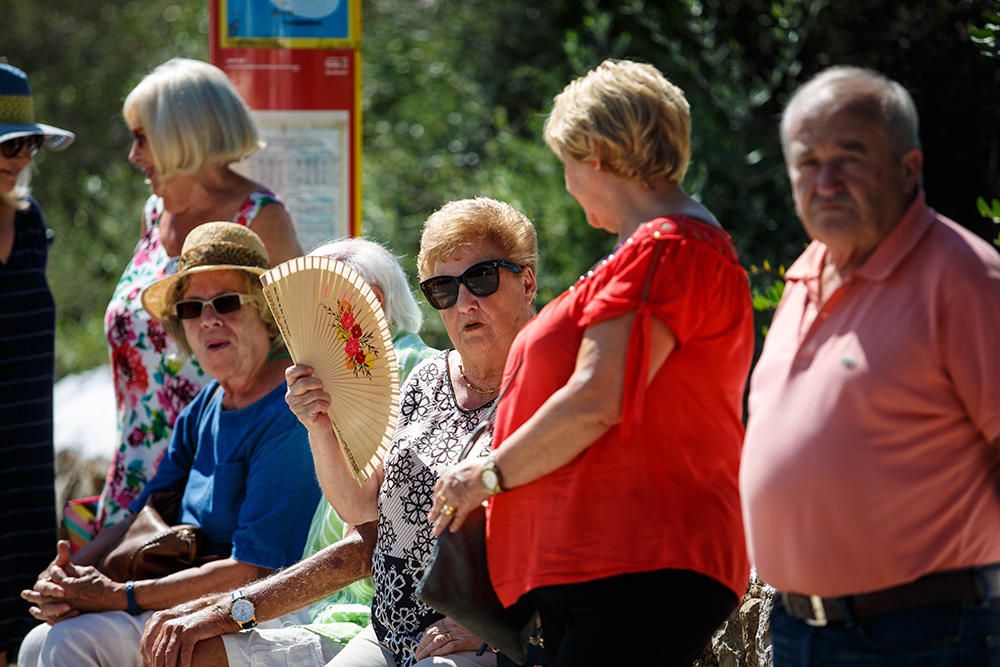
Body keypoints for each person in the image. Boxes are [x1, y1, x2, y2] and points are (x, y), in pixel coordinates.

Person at [431, 59, 754, 667]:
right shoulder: (658, 250)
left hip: (635, 567)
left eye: (567, 164)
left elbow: (596, 397)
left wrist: (487, 475)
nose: (568, 184)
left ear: (598, 154)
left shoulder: (668, 249)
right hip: (602, 572)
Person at [740, 66, 1000, 666]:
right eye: (807, 163)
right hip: (800, 629)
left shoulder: (962, 279)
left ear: (908, 169)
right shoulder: (806, 275)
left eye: (849, 158)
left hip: (924, 634)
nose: (824, 181)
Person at [18, 222, 320, 667]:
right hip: (189, 592)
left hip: (261, 609)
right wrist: (63, 576)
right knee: (37, 640)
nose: (209, 319)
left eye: (227, 302)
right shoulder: (207, 404)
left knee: (72, 640)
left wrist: (119, 596)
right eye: (192, 309)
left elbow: (254, 569)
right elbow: (142, 513)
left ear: (265, 311)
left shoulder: (290, 409)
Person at [138, 236, 441, 666]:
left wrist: (225, 609)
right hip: (321, 606)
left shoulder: (413, 375)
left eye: (314, 313)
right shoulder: (327, 389)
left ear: (367, 302)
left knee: (190, 649)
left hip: (375, 616)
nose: (299, 333)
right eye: (190, 309)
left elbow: (364, 544)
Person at [288, 197, 537, 667]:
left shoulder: (551, 385)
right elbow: (362, 505)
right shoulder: (423, 379)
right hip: (388, 629)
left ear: (526, 282)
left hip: (486, 634)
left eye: (481, 279)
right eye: (443, 289)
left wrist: (492, 624)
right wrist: (318, 424)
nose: (464, 303)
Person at [96, 57, 303, 534]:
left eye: (142, 137)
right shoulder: (154, 214)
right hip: (139, 471)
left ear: (180, 135)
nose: (133, 155)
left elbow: (299, 343)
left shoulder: (259, 217)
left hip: (220, 474)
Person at [0, 63, 74, 667]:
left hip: (26, 459)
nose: (20, 156)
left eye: (27, 142)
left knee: (17, 612)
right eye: (6, 143)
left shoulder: (30, 223)